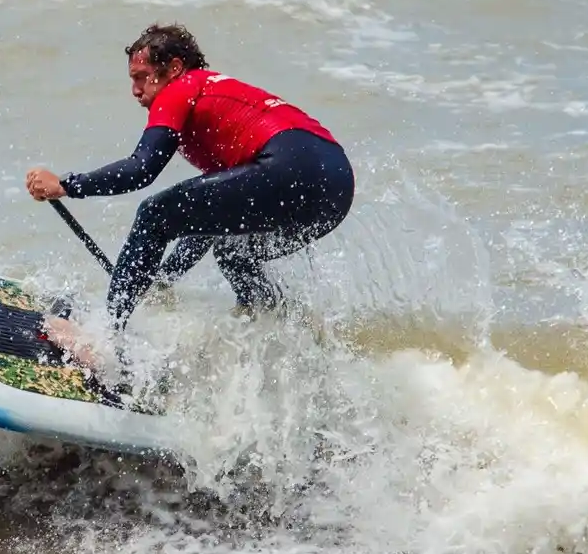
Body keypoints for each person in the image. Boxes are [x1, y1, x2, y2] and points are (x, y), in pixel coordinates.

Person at [25, 23, 355, 333]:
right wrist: (164, 279)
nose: (135, 91)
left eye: (142, 77)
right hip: (335, 186)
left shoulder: (181, 88)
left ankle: (105, 337)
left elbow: (141, 169)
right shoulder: (217, 101)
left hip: (290, 165)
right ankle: (276, 333)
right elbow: (207, 222)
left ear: (174, 68)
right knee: (234, 253)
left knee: (153, 214)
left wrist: (66, 185)